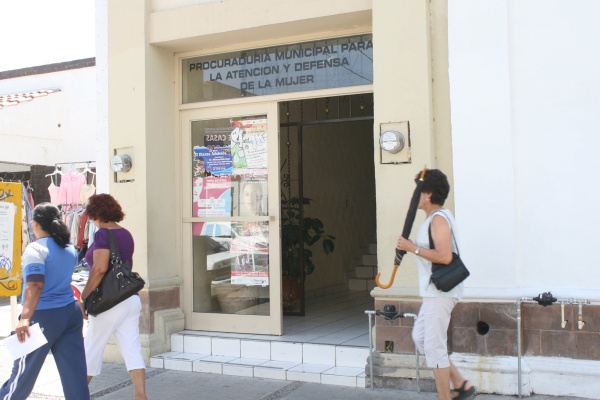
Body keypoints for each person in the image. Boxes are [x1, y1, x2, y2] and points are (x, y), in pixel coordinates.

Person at [396, 169, 476, 400]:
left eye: (418, 190)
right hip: (433, 292)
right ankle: (461, 384)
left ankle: (445, 397)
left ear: (428, 193)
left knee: (434, 346)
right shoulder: (433, 218)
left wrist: (412, 248)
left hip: (441, 292)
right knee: (421, 338)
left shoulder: (439, 219)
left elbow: (445, 256)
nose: (415, 195)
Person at [0, 203, 90, 400]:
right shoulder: (69, 248)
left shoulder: (35, 249)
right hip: (70, 312)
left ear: (35, 224)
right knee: (75, 375)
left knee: (22, 375)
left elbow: (35, 285)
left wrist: (25, 318)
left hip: (42, 316)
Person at [79, 194, 147, 400]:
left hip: (108, 302)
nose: (91, 220)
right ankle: (141, 396)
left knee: (91, 349)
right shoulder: (125, 233)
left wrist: (84, 296)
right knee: (132, 349)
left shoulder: (102, 235)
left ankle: (76, 394)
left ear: (97, 214)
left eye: (91, 215)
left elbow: (99, 269)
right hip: (129, 298)